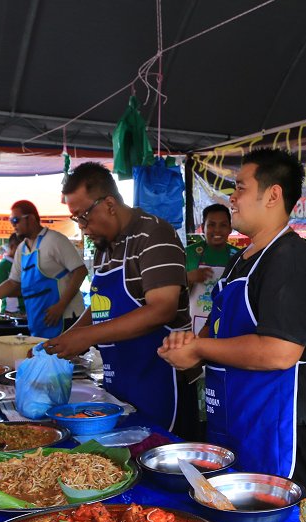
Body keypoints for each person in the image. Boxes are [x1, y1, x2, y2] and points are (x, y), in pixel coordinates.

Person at [159, 148, 306, 494]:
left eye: (240, 188)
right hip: (237, 418)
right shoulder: (244, 259)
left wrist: (200, 346)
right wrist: (190, 349)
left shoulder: (292, 260)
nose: (231, 197)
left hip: (280, 425)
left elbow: (278, 352)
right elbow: (218, 329)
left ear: (273, 195)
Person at [46, 162, 196, 435]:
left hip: (161, 381)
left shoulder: (154, 234)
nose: (82, 227)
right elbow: (101, 304)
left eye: (83, 216)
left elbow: (162, 309)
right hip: (121, 381)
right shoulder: (105, 246)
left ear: (110, 204)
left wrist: (88, 336)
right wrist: (69, 337)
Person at [0, 201, 86, 337]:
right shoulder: (22, 248)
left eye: (16, 220)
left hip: (66, 318)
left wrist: (61, 305)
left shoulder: (55, 240)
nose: (13, 225)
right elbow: (12, 283)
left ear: (31, 218)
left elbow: (80, 271)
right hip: (39, 320)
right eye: (11, 221)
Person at [186, 203, 240, 334]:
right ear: (203, 227)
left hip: (224, 322)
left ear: (230, 228)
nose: (217, 230)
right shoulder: (189, 253)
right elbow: (173, 292)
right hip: (191, 323)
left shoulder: (239, 257)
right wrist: (189, 278)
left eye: (223, 225)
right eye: (211, 225)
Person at [0, 235, 21, 314]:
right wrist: (29, 291)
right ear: (13, 246)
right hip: (12, 311)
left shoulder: (25, 263)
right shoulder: (2, 267)